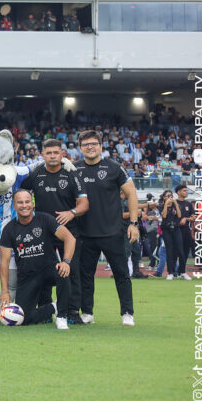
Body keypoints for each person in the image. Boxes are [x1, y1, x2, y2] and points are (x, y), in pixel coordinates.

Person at [19, 139, 90, 320]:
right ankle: (45, 310)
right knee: (43, 271)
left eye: (56, 153)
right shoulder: (35, 175)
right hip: (42, 233)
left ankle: (73, 312)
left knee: (71, 271)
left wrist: (71, 213)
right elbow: (18, 191)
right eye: (48, 153)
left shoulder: (72, 174)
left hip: (68, 231)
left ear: (62, 155)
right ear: (42, 155)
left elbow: (84, 203)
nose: (52, 156)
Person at [74, 130, 139, 326]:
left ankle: (127, 313)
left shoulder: (115, 168)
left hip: (113, 232)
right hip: (84, 233)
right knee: (85, 276)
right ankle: (87, 313)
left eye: (93, 143)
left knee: (121, 274)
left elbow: (132, 194)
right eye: (86, 145)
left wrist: (134, 224)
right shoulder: (73, 168)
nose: (90, 147)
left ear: (101, 146)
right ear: (80, 148)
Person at [0, 190, 77, 329]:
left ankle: (62, 316)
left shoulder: (45, 219)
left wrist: (66, 262)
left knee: (63, 272)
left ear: (32, 204)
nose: (24, 205)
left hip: (48, 269)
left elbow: (70, 238)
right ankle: (55, 307)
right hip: (27, 276)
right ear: (14, 205)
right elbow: (4, 262)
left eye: (27, 201)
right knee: (23, 318)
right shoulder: (9, 229)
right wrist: (5, 292)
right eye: (20, 202)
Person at [159, 189, 186, 280]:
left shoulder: (176, 205)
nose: (170, 197)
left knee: (180, 251)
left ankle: (182, 272)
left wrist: (176, 204)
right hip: (167, 230)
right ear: (164, 197)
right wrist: (166, 204)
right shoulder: (161, 206)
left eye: (171, 195)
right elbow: (164, 216)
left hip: (176, 229)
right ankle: (170, 273)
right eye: (167, 195)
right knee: (169, 251)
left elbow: (179, 215)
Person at [175, 184, 197, 279]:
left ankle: (182, 272)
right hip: (175, 230)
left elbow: (194, 217)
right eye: (184, 190)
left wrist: (186, 219)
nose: (186, 192)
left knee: (185, 251)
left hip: (186, 230)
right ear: (178, 192)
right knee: (177, 251)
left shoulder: (188, 204)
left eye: (187, 191)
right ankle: (172, 272)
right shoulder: (174, 203)